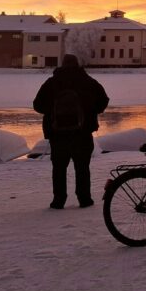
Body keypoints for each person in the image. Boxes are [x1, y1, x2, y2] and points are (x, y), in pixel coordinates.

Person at [33, 54, 109, 209]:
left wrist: (52, 112)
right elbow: (103, 100)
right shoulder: (88, 82)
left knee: (59, 168)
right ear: (77, 64)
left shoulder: (52, 82)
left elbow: (37, 105)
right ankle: (84, 199)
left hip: (58, 134)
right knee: (82, 167)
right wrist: (90, 112)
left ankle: (58, 200)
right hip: (82, 133)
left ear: (62, 64)